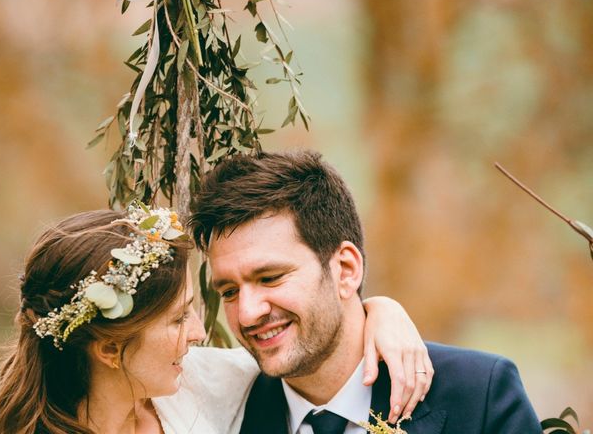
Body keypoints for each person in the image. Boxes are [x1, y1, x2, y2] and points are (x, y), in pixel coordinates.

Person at [177, 150, 543, 434]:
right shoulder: (225, 412)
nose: (246, 313)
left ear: (346, 269)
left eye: (270, 278)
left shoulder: (480, 395)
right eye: (228, 291)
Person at [0, 203, 431, 433]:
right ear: (109, 348)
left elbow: (310, 351)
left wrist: (380, 310)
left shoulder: (207, 384)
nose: (201, 333)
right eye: (179, 320)